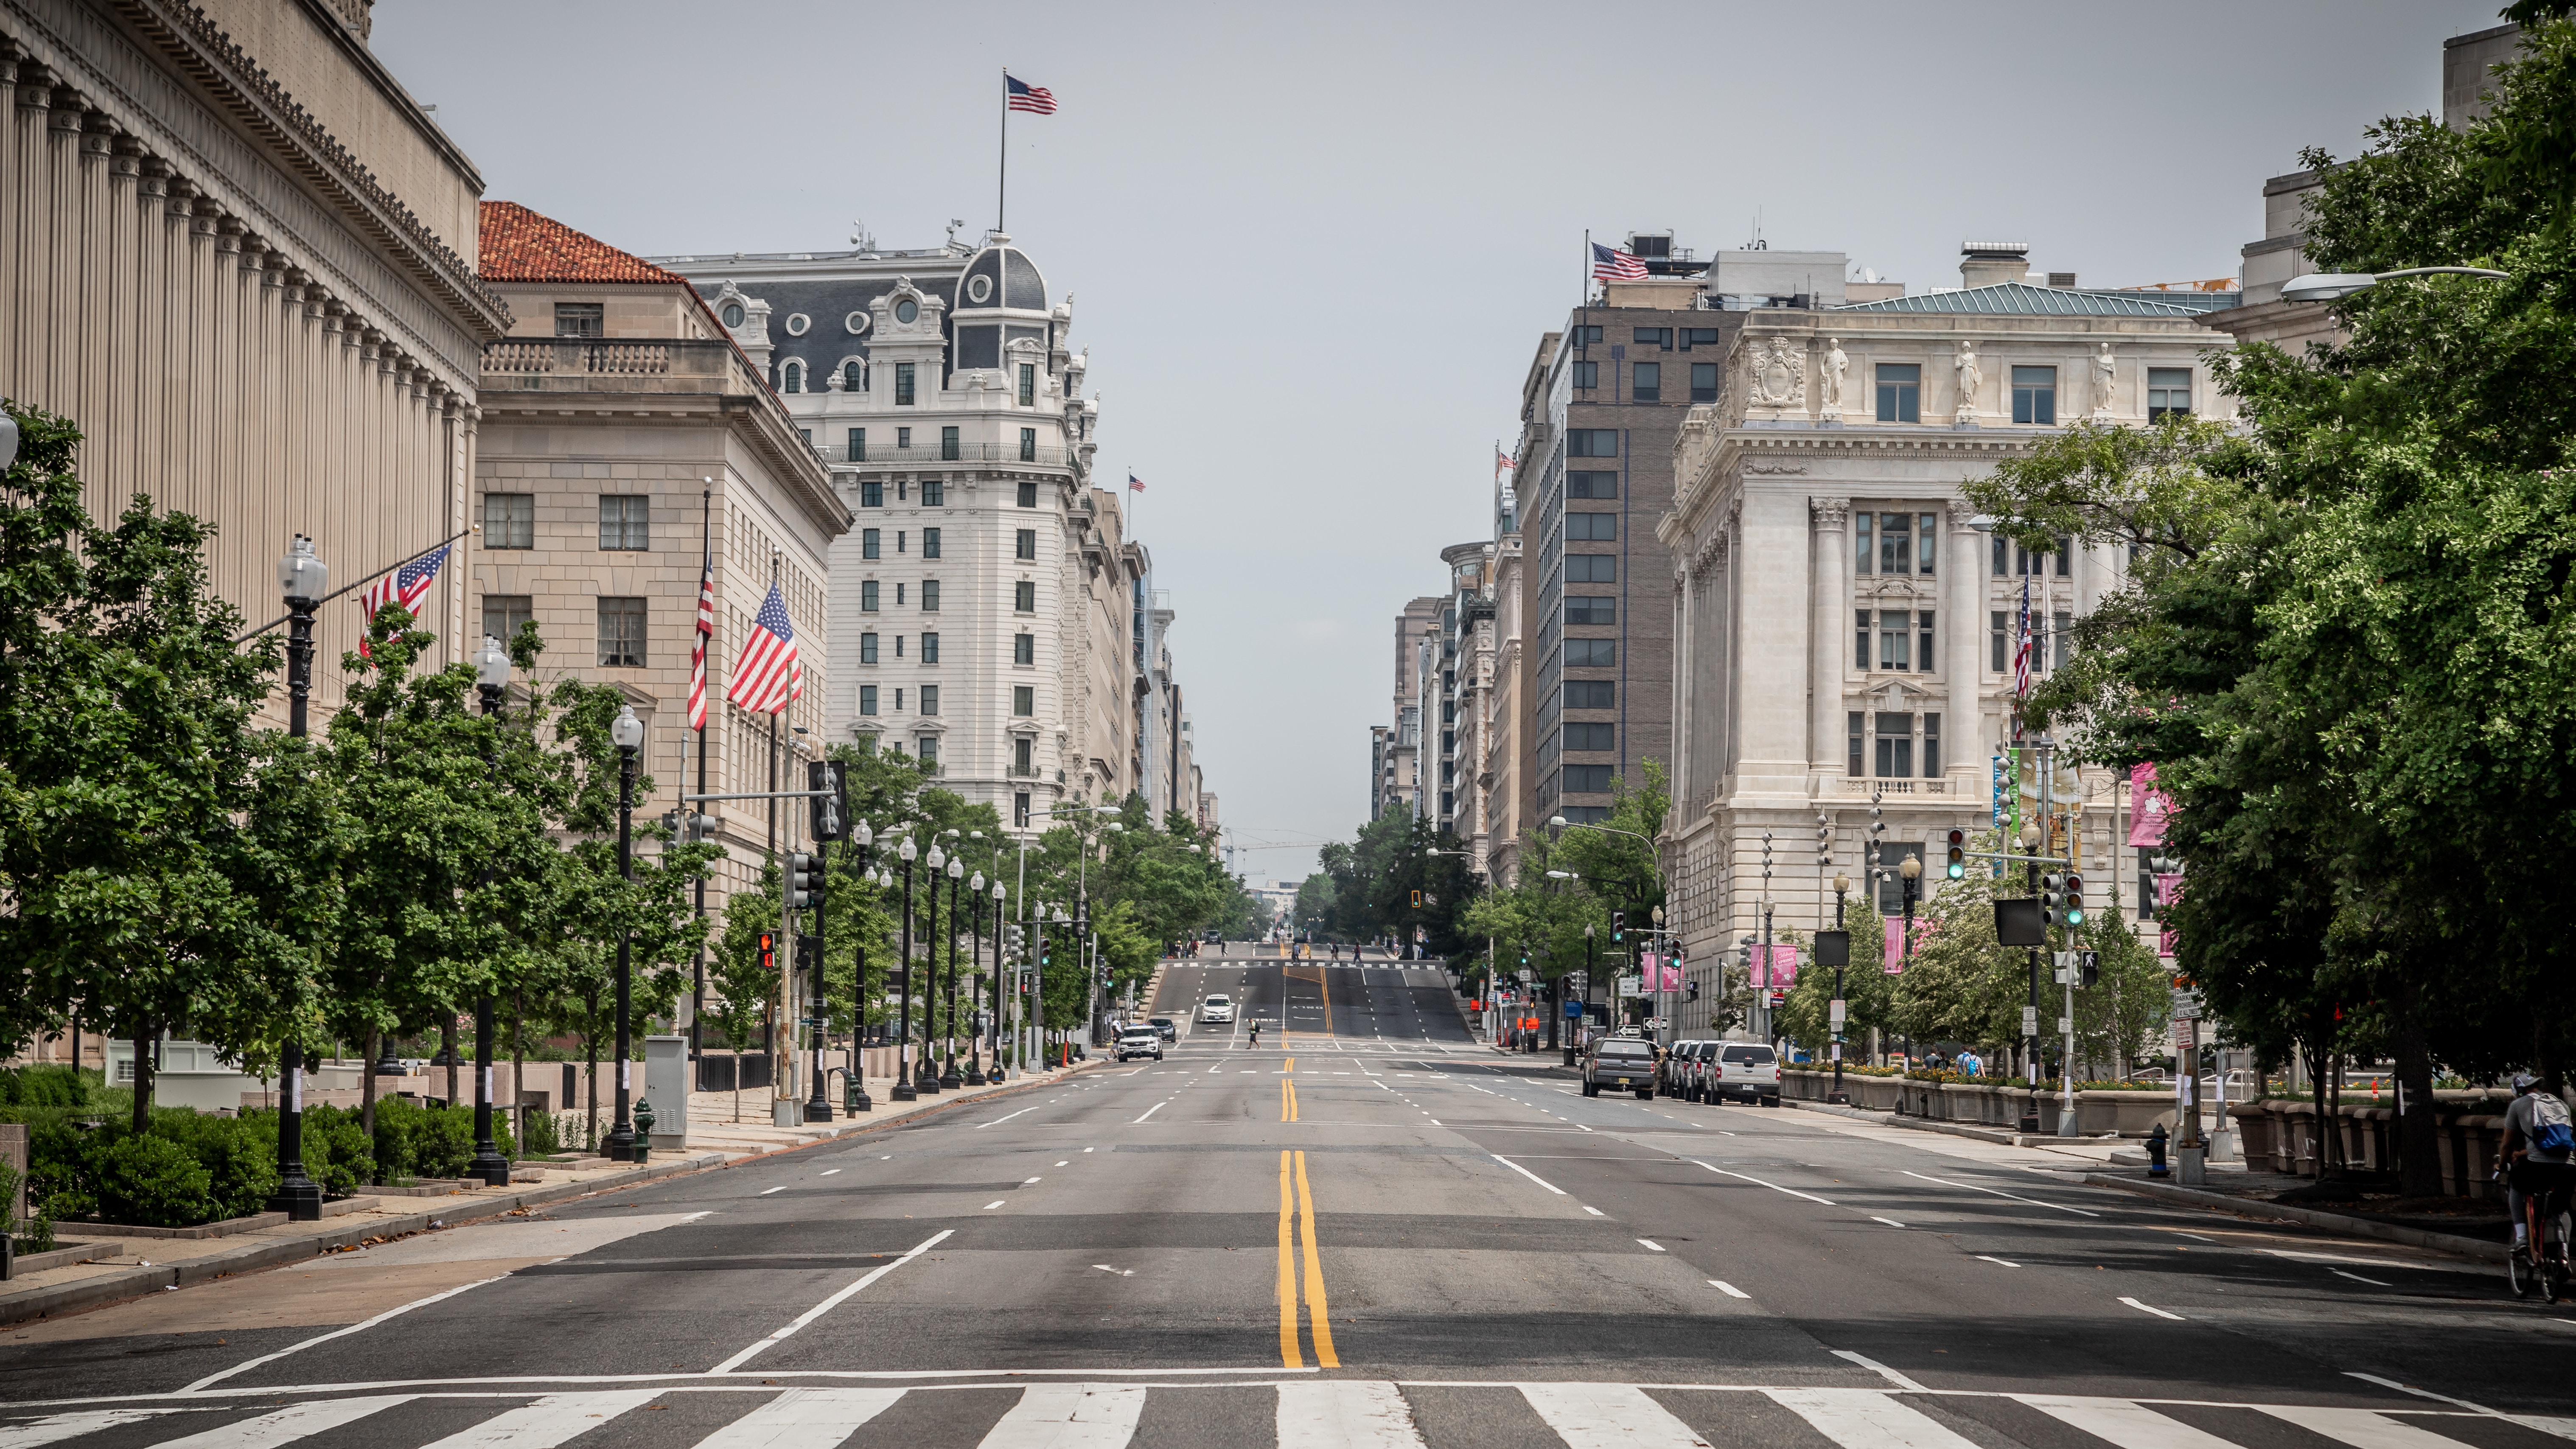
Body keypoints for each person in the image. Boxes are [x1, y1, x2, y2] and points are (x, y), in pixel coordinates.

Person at [2498, 1072, 2575, 1266]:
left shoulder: (2518, 1105)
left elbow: (2507, 1145)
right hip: (2568, 1165)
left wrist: (2502, 1165)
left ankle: (2522, 1238)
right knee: (2562, 1208)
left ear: (2518, 1091)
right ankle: (2564, 1255)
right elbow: (2556, 1141)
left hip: (2538, 1167)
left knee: (2516, 1184)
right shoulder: (2560, 1104)